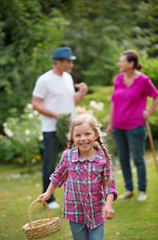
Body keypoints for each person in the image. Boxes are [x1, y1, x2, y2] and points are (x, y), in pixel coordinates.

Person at [37, 114, 117, 240]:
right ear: (72, 138)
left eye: (87, 134)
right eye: (78, 135)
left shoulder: (103, 160)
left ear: (96, 135)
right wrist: (47, 194)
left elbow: (109, 185)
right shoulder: (68, 156)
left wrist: (108, 205)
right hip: (75, 212)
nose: (83, 139)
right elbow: (58, 176)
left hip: (96, 212)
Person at [32, 47, 88, 209]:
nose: (71, 64)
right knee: (50, 164)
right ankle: (48, 199)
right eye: (68, 61)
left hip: (70, 130)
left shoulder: (68, 78)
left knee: (74, 162)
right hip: (51, 128)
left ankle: (76, 196)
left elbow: (71, 102)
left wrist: (81, 93)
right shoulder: (44, 80)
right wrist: (56, 115)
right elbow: (36, 103)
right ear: (58, 62)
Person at [106, 49, 158, 202]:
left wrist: (149, 112)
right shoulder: (118, 78)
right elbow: (113, 102)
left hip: (136, 125)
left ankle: (142, 190)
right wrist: (110, 123)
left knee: (138, 158)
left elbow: (155, 96)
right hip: (118, 126)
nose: (119, 64)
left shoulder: (143, 80)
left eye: (122, 61)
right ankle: (129, 189)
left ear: (131, 63)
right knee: (123, 158)